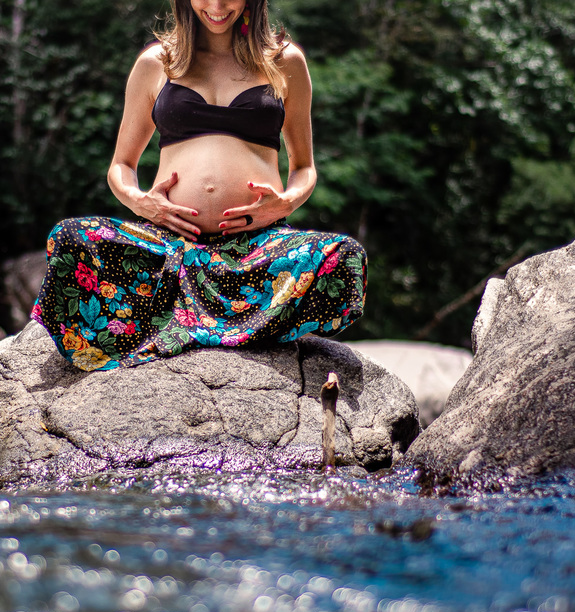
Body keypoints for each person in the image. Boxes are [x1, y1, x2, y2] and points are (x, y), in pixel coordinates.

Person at [31, 0, 367, 371]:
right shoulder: (157, 62)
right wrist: (140, 202)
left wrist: (284, 203)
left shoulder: (284, 60)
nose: (218, 6)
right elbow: (121, 166)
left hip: (253, 252)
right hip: (168, 246)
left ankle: (184, 324)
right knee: (70, 237)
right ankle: (227, 326)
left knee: (344, 256)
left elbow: (304, 168)